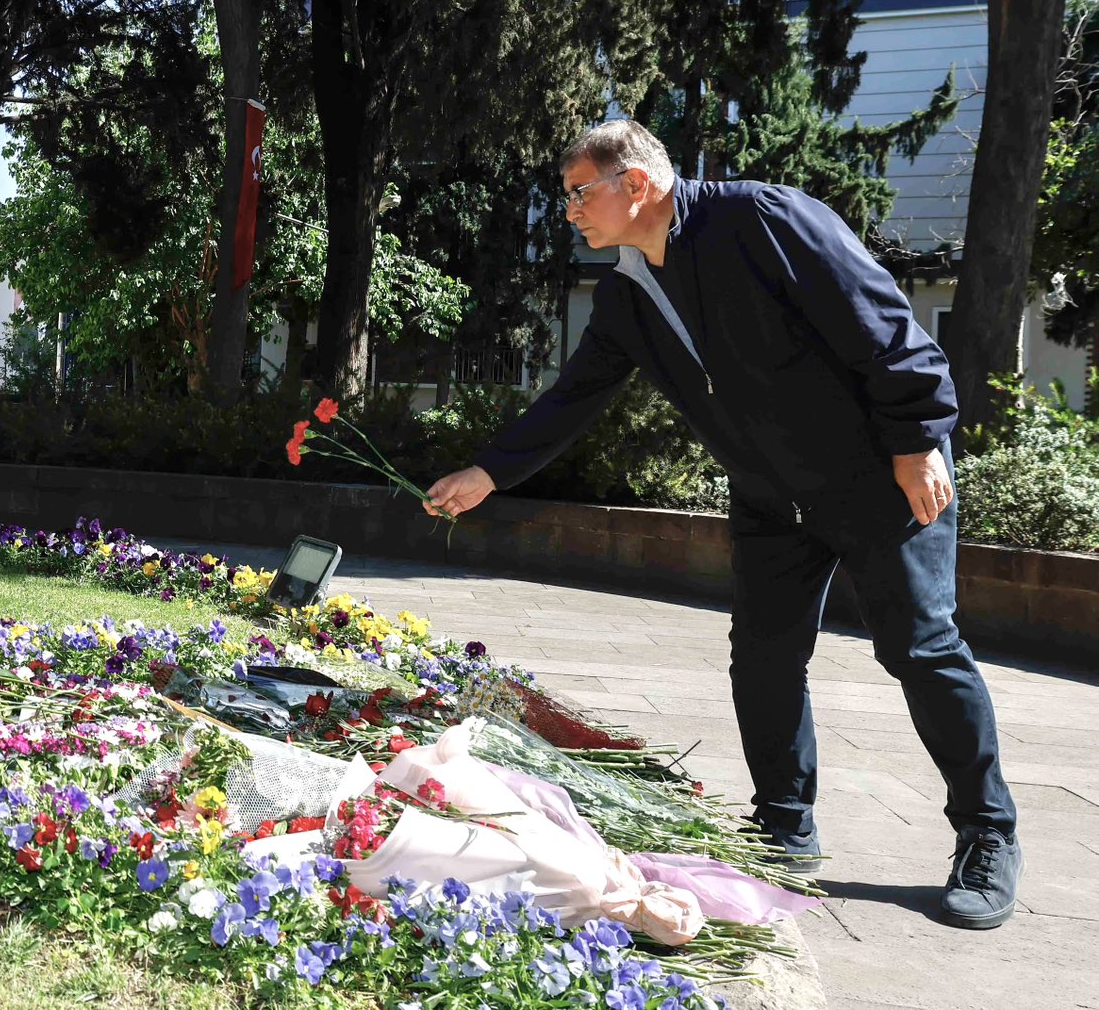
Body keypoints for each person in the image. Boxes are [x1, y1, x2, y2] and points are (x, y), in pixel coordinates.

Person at [423, 119, 1021, 931]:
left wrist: (918, 437)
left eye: (577, 192)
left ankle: (987, 834)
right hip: (772, 496)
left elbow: (882, 321)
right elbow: (576, 394)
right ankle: (784, 826)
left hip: (878, 475)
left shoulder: (763, 220)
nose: (568, 210)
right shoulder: (630, 291)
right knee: (766, 655)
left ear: (635, 184)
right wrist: (488, 472)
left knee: (919, 647)